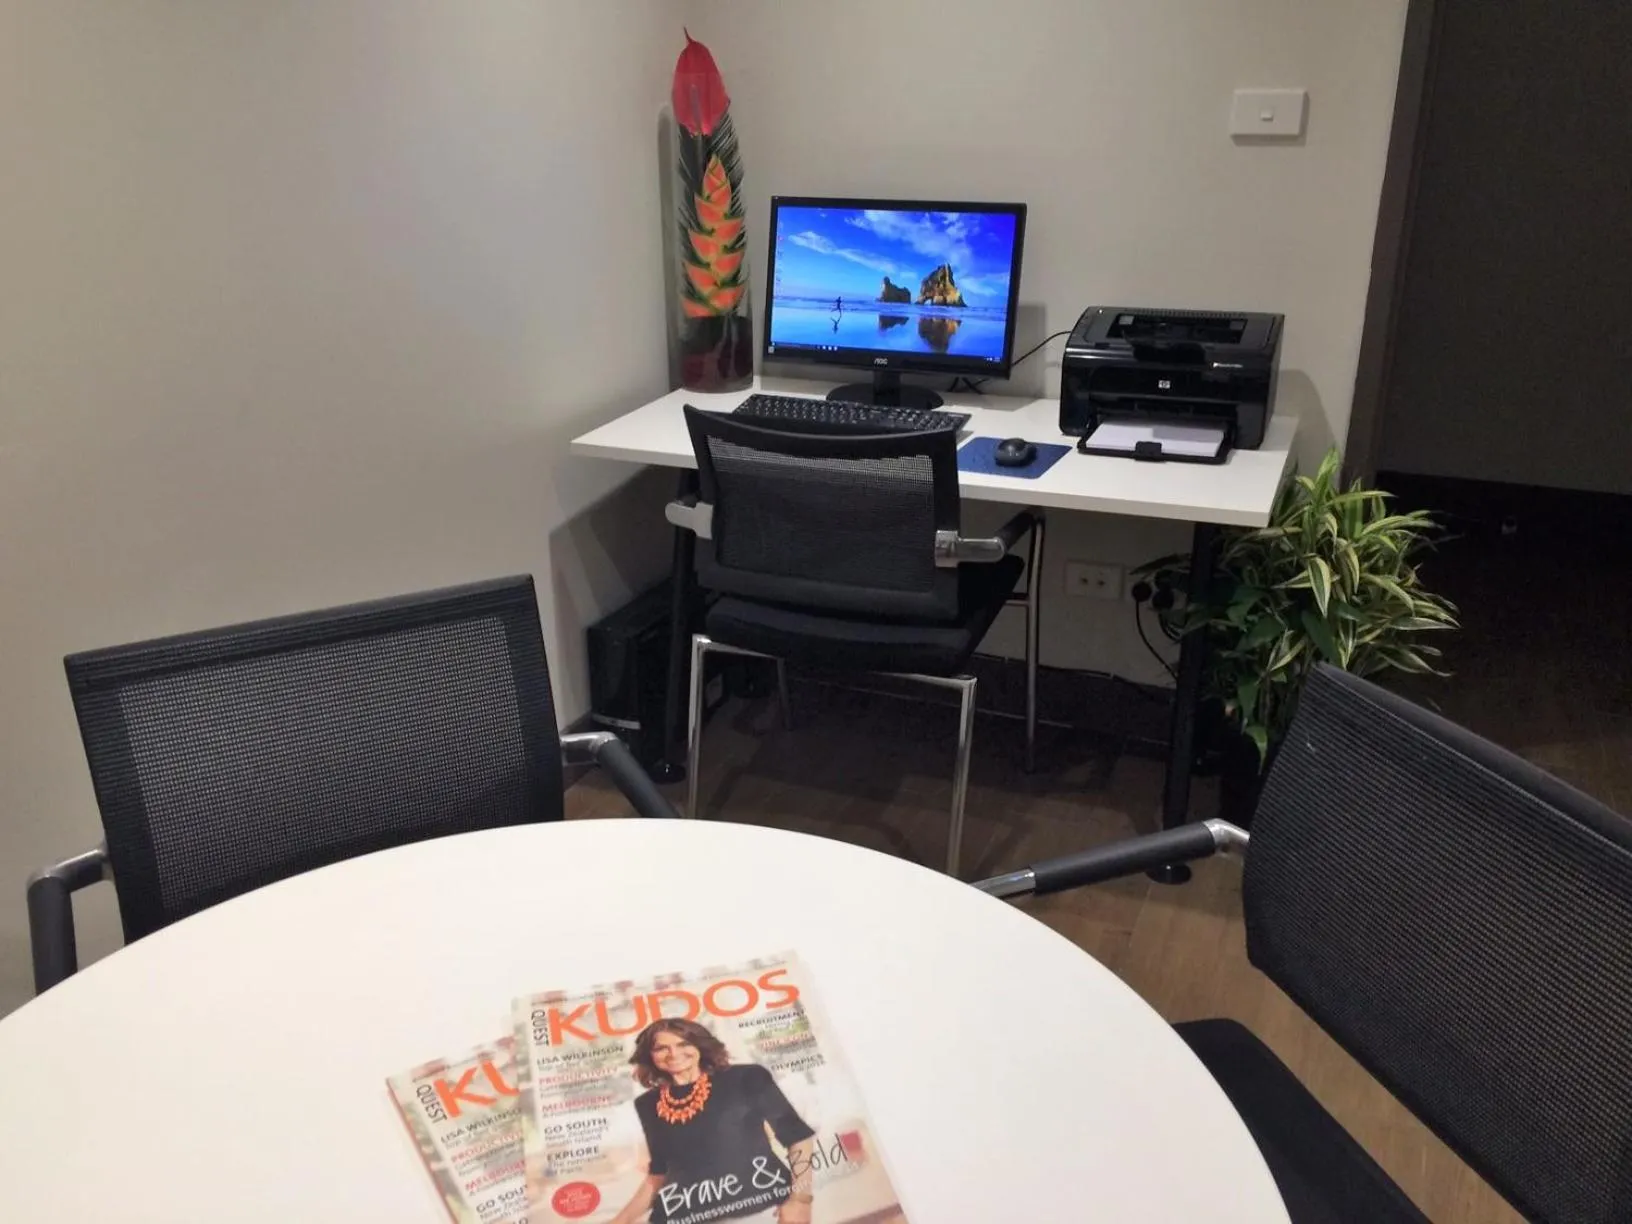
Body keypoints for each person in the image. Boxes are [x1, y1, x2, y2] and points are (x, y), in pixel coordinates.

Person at [608, 1018, 817, 1224]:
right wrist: (620, 1220)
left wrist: (800, 1199)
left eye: (684, 1044)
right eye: (661, 1048)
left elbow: (797, 1136)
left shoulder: (746, 1077)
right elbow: (659, 1174)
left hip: (760, 1211)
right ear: (649, 1056)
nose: (673, 1054)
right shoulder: (647, 1103)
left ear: (700, 1045)